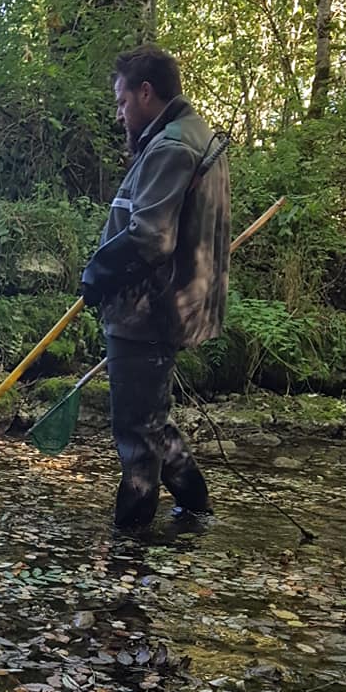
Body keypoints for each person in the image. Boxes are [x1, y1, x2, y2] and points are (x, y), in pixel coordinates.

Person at [81, 44, 230, 533]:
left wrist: (99, 272)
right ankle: (197, 513)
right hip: (171, 305)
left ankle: (130, 546)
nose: (119, 114)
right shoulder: (193, 135)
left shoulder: (171, 147)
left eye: (123, 102)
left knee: (135, 434)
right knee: (151, 422)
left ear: (146, 93)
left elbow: (150, 238)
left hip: (148, 311)